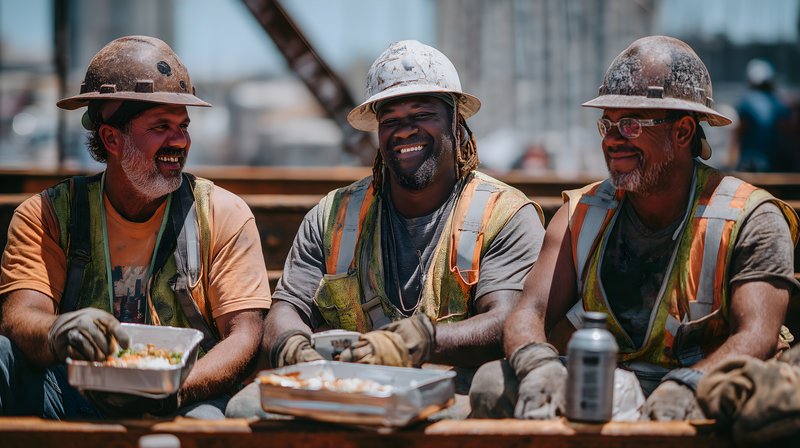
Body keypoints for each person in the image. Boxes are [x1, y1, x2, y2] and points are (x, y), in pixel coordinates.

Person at [469, 35, 799, 421]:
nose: (611, 141)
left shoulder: (749, 218)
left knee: (764, 409)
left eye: (629, 124)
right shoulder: (581, 214)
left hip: (706, 386)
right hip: (603, 385)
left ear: (683, 131)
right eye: (606, 124)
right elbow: (530, 311)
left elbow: (756, 335)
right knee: (492, 383)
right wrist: (537, 365)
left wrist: (690, 384)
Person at [226, 39, 545, 418]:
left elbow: (506, 319)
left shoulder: (502, 214)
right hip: (350, 391)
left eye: (422, 114)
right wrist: (292, 345)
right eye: (390, 120)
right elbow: (287, 307)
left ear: (455, 121)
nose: (405, 131)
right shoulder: (335, 216)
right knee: (246, 408)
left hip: (449, 394)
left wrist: (423, 341)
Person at [0, 36, 271, 419]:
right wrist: (57, 331)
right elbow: (20, 315)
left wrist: (172, 391)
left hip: (184, 395)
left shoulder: (221, 213)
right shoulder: (49, 214)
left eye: (183, 126)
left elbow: (244, 334)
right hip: (74, 393)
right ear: (111, 138)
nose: (180, 141)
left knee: (206, 424)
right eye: (161, 126)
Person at [729, 58, 790, 172]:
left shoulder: (746, 102)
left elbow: (738, 133)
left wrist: (730, 163)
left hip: (750, 164)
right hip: (775, 165)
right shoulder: (779, 103)